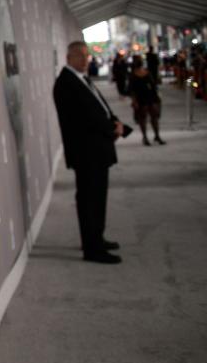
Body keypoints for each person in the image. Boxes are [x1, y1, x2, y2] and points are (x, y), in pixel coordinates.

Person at [53, 41, 124, 264]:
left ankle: (97, 238)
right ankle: (92, 249)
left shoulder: (81, 79)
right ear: (68, 58)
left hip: (96, 151)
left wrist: (116, 123)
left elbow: (101, 109)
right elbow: (84, 119)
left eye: (87, 55)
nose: (86, 60)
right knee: (88, 200)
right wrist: (112, 128)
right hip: (86, 153)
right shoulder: (66, 83)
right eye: (80, 56)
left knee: (98, 197)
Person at [128, 55, 164, 146]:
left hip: (150, 96)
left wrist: (157, 96)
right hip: (141, 98)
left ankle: (156, 135)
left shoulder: (146, 72)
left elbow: (153, 86)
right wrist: (134, 100)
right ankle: (145, 137)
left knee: (154, 117)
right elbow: (131, 90)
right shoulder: (133, 75)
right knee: (143, 118)